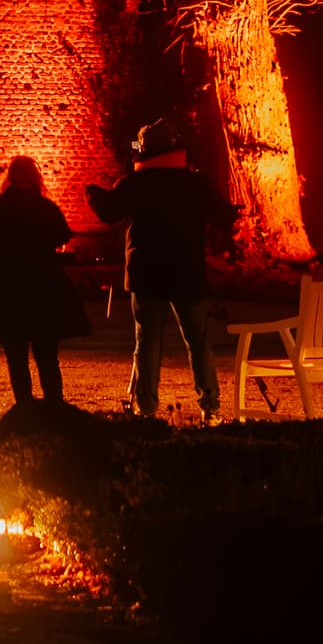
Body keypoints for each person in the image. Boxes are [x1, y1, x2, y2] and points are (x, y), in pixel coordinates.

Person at [89, 119, 232, 423]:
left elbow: (108, 212)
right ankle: (210, 404)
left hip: (147, 272)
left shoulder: (136, 183)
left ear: (145, 149)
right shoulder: (196, 183)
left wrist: (92, 193)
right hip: (187, 271)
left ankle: (147, 408)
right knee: (197, 339)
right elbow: (222, 216)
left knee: (148, 340)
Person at [0, 156, 81, 404]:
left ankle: (25, 407)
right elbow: (62, 234)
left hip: (6, 291)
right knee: (47, 356)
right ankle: (54, 405)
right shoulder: (45, 208)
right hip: (42, 291)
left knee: (16, 357)